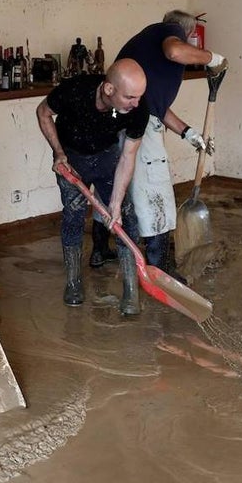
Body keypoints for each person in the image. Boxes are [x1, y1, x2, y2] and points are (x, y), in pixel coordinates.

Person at [114, 10, 227, 279]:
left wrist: (187, 133)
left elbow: (158, 107)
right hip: (137, 124)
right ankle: (160, 267)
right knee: (156, 193)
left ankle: (104, 251)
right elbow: (176, 52)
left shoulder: (149, 46)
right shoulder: (169, 33)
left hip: (126, 119)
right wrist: (213, 58)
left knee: (126, 189)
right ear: (187, 32)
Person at [36, 59, 149, 315]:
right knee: (74, 215)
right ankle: (73, 283)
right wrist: (58, 153)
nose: (137, 104)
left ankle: (131, 291)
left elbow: (127, 157)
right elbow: (43, 113)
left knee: (125, 219)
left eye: (139, 97)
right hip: (72, 158)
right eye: (130, 97)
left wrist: (116, 205)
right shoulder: (74, 91)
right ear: (109, 89)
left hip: (108, 157)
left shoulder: (138, 110)